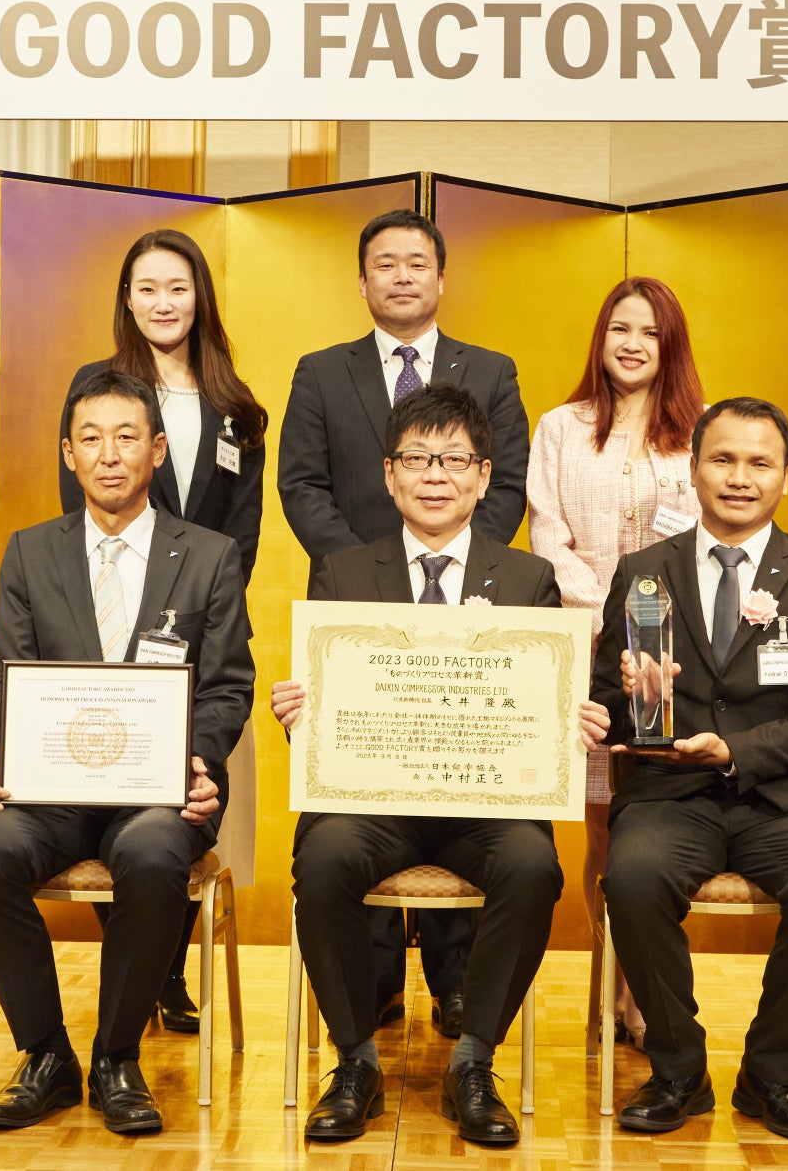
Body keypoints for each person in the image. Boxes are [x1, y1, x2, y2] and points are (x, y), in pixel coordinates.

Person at [271, 385, 610, 1146]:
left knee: (532, 864)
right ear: (389, 476)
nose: (435, 475)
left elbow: (540, 712)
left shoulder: (526, 580)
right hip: (372, 805)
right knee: (322, 856)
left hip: (483, 807)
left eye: (454, 460)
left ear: (484, 478)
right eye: (417, 458)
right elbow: (327, 729)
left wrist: (572, 723)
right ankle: (354, 1061)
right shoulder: (342, 574)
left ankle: (474, 1062)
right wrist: (301, 714)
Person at [0, 369, 255, 1134]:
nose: (109, 454)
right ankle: (47, 1056)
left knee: (153, 853)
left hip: (162, 791)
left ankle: (117, 1057)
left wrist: (198, 761)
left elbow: (227, 686)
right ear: (69, 454)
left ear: (157, 450)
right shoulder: (30, 554)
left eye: (126, 437)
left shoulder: (210, 555)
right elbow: (6, 679)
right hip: (52, 793)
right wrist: (10, 760)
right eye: (90, 439)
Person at [589, 397, 788, 1142]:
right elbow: (606, 704)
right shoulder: (643, 572)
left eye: (759, 463)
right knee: (632, 879)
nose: (740, 477)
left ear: (785, 476)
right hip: (669, 795)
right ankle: (678, 1070)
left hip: (782, 796)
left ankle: (772, 1072)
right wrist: (631, 701)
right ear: (694, 469)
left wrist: (737, 749)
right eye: (723, 459)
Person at [277, 208, 529, 1032]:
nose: (402, 276)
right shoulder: (322, 371)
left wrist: (456, 557)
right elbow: (301, 485)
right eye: (384, 263)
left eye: (417, 262)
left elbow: (507, 482)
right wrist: (376, 570)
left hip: (471, 601)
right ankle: (374, 982)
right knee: (364, 780)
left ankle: (457, 984)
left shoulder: (491, 369)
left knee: (464, 769)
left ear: (441, 277)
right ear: (362, 281)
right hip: (356, 602)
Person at [58, 228, 267, 1035]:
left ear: (199, 296)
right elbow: (81, 509)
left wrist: (204, 613)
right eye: (146, 288)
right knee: (110, 791)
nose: (163, 302)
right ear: (127, 298)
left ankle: (166, 973)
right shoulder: (97, 388)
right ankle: (139, 967)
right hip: (109, 635)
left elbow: (241, 534)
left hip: (200, 635)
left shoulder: (235, 405)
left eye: (177, 287)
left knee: (182, 800)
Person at [526, 276, 705, 1052]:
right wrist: (610, 616)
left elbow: (709, 540)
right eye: (619, 329)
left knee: (654, 823)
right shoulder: (561, 428)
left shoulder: (699, 432)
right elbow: (547, 534)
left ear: (671, 345)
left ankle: (640, 991)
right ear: (601, 338)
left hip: (673, 659)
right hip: (589, 646)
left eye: (650, 332)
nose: (632, 344)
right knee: (601, 832)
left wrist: (654, 625)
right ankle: (610, 985)